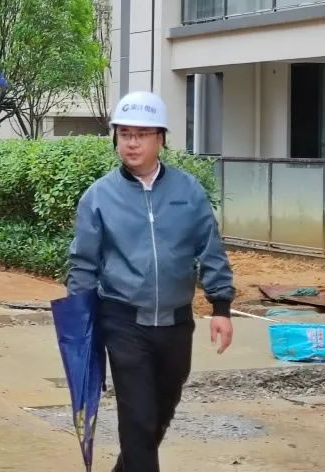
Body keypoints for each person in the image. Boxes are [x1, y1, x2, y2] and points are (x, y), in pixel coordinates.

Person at [66, 91, 235, 472]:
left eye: (142, 134)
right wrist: (80, 324)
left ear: (160, 138)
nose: (132, 143)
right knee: (138, 419)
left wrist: (221, 307)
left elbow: (210, 248)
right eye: (125, 134)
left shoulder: (188, 191)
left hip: (176, 323)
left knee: (158, 416)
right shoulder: (99, 197)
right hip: (123, 321)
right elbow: (83, 264)